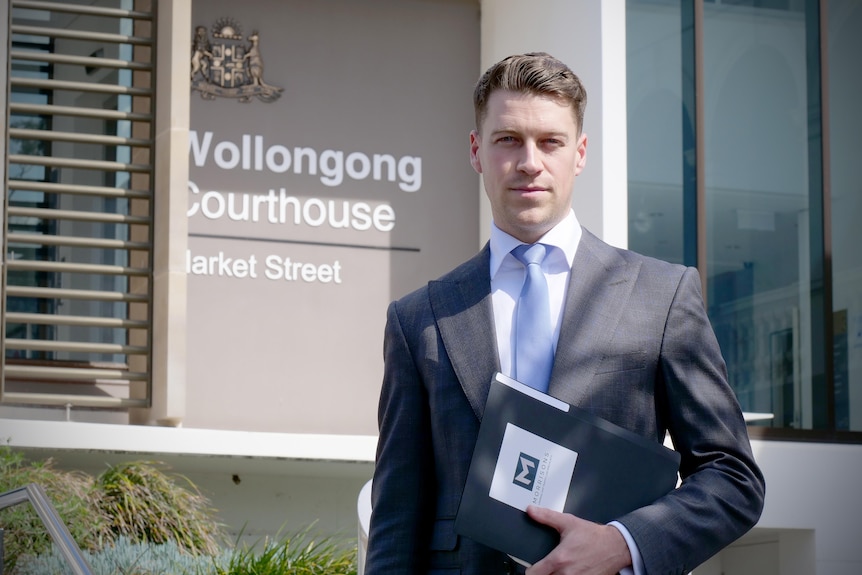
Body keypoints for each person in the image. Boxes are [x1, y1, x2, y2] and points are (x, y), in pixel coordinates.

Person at [364, 52, 765, 575]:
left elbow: (732, 475)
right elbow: (397, 518)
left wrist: (624, 544)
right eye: (508, 139)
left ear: (579, 153)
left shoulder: (662, 296)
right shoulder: (419, 319)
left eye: (549, 142)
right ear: (476, 152)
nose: (530, 161)